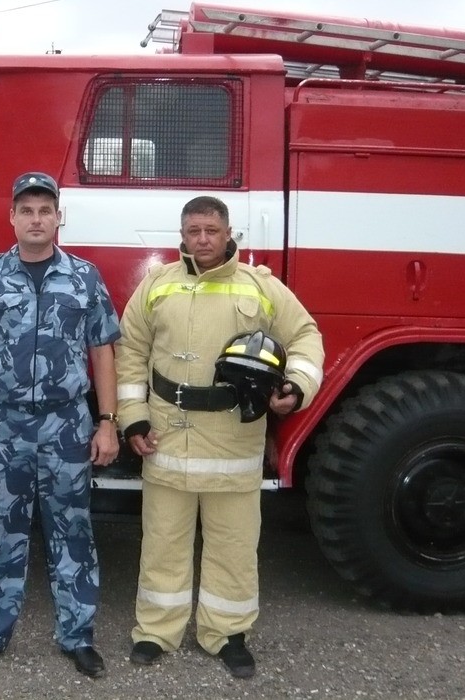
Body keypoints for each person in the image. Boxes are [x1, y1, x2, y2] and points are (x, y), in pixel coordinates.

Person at [115, 195, 323, 679]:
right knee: (163, 541)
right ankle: (154, 632)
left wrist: (297, 386)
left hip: (234, 442)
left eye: (211, 230)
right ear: (182, 235)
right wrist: (134, 419)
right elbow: (129, 355)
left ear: (229, 233)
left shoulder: (262, 287)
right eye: (193, 231)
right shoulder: (156, 287)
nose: (203, 239)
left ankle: (227, 633)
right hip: (165, 438)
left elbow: (306, 335)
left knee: (233, 545)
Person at [0, 170, 121, 679]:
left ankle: (77, 635)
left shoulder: (85, 278)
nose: (36, 219)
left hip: (68, 423)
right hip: (5, 426)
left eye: (45, 210)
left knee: (73, 530)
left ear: (57, 217)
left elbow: (103, 352)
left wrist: (106, 423)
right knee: (1, 531)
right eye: (27, 210)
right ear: (12, 218)